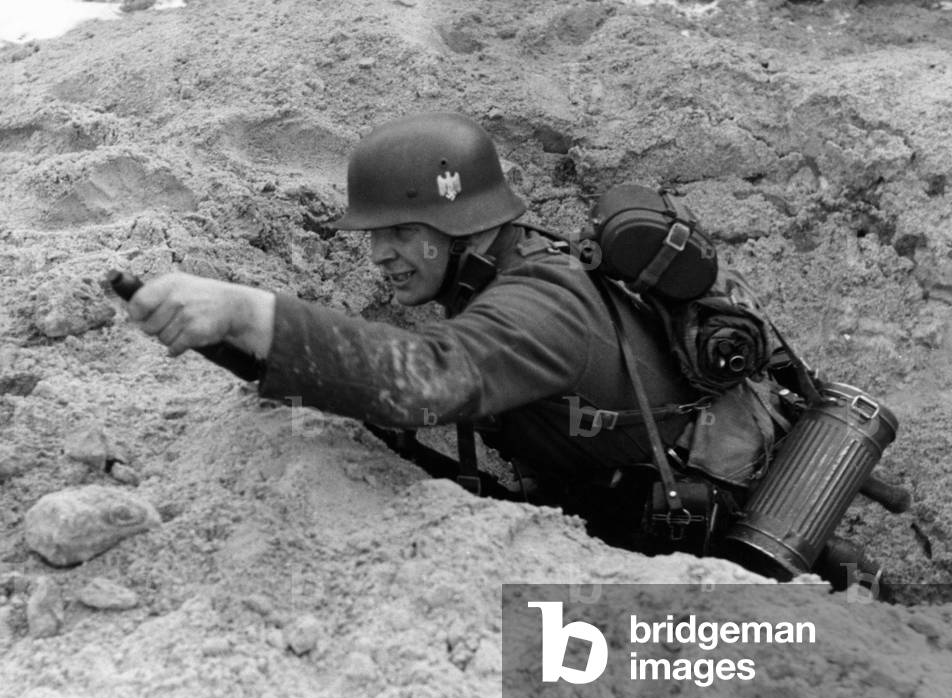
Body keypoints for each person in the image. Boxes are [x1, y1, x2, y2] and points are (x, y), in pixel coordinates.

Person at [124, 112, 783, 557]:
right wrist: (244, 347)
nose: (380, 254)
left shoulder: (542, 304)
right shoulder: (504, 267)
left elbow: (428, 378)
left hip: (693, 535)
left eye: (402, 232)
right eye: (375, 234)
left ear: (465, 224)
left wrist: (247, 311)